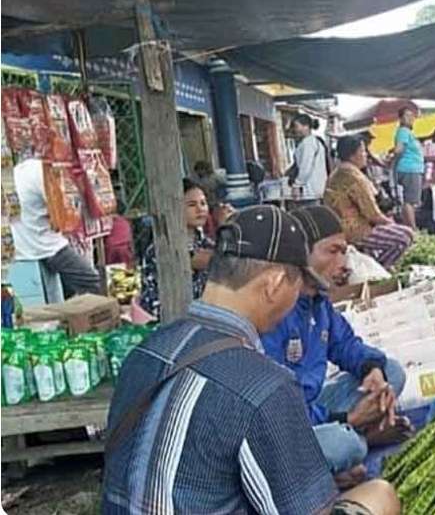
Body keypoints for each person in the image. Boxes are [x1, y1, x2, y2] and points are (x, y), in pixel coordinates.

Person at [103, 205, 400, 515]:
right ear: (273, 284)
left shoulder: (146, 350)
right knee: (379, 495)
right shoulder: (264, 383)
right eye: (297, 283)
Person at [261, 206, 409, 483]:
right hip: (288, 429)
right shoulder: (276, 312)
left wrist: (371, 371)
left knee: (392, 371)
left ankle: (352, 446)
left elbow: (347, 345)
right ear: (301, 253)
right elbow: (279, 412)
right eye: (333, 251)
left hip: (317, 409)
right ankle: (357, 442)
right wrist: (347, 418)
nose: (344, 263)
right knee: (345, 445)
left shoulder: (319, 304)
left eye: (344, 251)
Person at [10, 156, 101, 297]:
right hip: (46, 246)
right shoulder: (37, 170)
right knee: (92, 281)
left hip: (23, 247)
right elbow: (63, 213)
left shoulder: (18, 173)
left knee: (67, 287)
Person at [326, 137, 415, 268]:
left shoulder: (338, 172)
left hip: (339, 227)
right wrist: (391, 224)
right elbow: (373, 214)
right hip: (355, 230)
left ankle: (376, 266)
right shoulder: (354, 176)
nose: (365, 155)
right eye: (362, 151)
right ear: (352, 155)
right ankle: (380, 269)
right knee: (405, 236)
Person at [138, 179, 215, 319]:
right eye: (192, 205)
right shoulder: (163, 245)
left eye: (203, 203)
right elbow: (208, 260)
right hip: (165, 316)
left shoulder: (202, 241)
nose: (200, 209)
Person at [390, 107, 424, 229]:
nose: (410, 118)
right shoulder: (403, 131)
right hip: (409, 169)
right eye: (407, 115)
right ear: (400, 118)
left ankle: (409, 227)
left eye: (412, 116)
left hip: (411, 168)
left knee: (409, 200)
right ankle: (412, 228)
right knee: (410, 201)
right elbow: (399, 149)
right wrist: (392, 157)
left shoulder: (406, 132)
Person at [287, 113, 330, 207]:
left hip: (309, 191)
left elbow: (305, 167)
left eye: (297, 126)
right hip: (318, 189)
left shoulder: (307, 144)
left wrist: (297, 185)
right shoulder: (316, 142)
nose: (295, 130)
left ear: (306, 126)